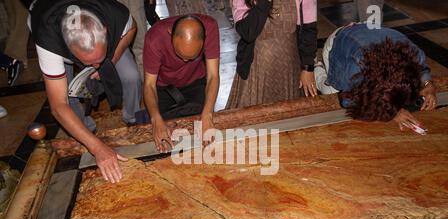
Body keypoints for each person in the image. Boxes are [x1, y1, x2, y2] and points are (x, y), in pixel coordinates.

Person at [29, 0, 143, 183]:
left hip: (107, 41)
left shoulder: (115, 13)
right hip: (45, 14)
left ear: (105, 30)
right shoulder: (49, 41)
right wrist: (98, 148)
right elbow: (58, 106)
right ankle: (86, 131)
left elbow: (132, 29)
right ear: (67, 49)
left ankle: (132, 118)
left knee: (130, 75)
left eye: (98, 59)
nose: (96, 66)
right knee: (67, 95)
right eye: (89, 62)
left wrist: (111, 61)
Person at [314, 23, 437, 131]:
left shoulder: (413, 55)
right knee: (330, 92)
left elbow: (421, 67)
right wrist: (392, 113)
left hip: (367, 31)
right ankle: (317, 67)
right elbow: (349, 101)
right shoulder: (356, 71)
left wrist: (428, 84)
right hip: (338, 42)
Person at [143, 14, 220, 152]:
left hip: (195, 81)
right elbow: (149, 85)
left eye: (191, 57)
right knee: (165, 140)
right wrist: (155, 119)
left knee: (205, 137)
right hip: (163, 87)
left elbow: (213, 76)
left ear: (205, 36)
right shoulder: (154, 38)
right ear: (170, 33)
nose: (184, 61)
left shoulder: (210, 27)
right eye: (180, 55)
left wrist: (207, 113)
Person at [226, 0, 318, 110]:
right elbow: (248, 32)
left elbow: (309, 29)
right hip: (256, 73)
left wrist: (308, 67)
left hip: (289, 69)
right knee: (255, 120)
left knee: (290, 118)